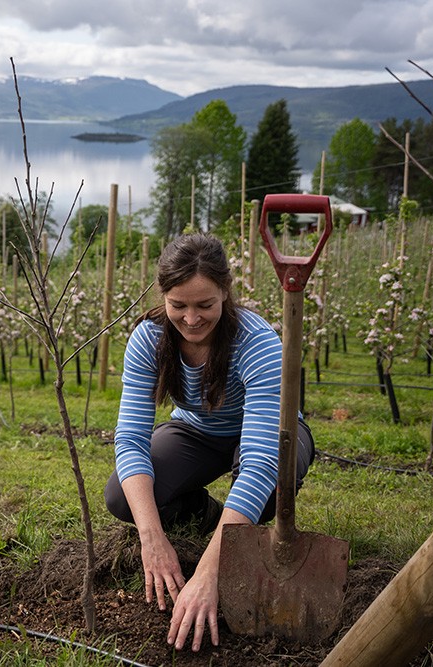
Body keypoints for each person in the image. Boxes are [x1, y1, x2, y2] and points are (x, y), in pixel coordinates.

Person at [103, 233, 315, 652]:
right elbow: (130, 439)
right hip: (198, 430)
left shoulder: (257, 343)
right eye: (178, 305)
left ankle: (230, 532)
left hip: (270, 435)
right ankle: (208, 514)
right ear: (162, 295)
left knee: (269, 492)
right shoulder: (149, 340)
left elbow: (259, 462)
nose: (192, 319)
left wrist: (207, 573)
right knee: (122, 498)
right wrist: (152, 538)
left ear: (225, 292)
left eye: (205, 305)